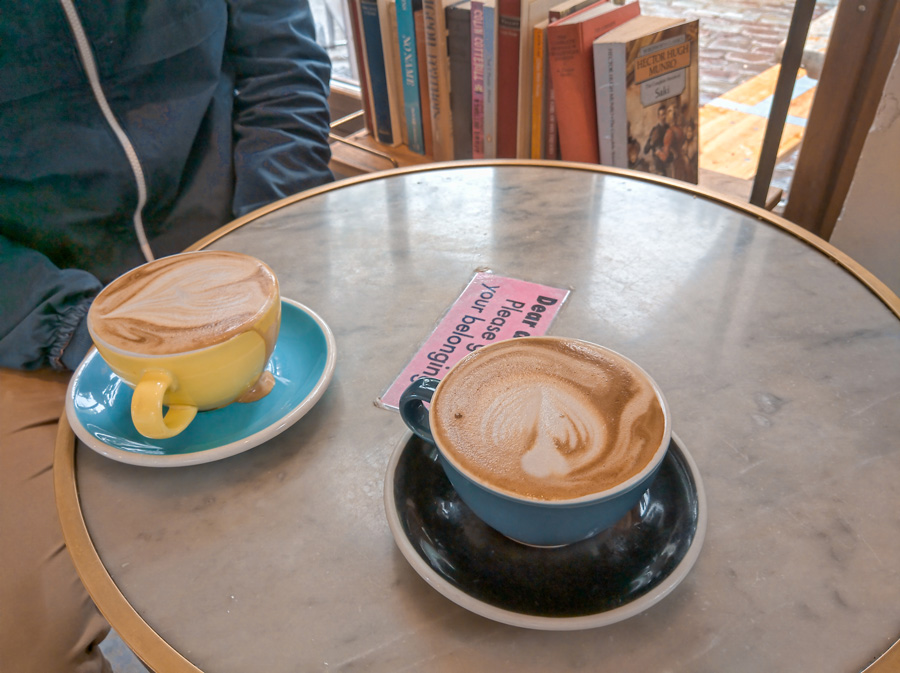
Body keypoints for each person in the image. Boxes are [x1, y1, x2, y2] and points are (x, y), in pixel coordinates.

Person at [0, 0, 333, 670]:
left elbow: (281, 63)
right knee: (24, 629)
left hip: (244, 259)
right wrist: (72, 328)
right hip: (34, 318)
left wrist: (268, 239)